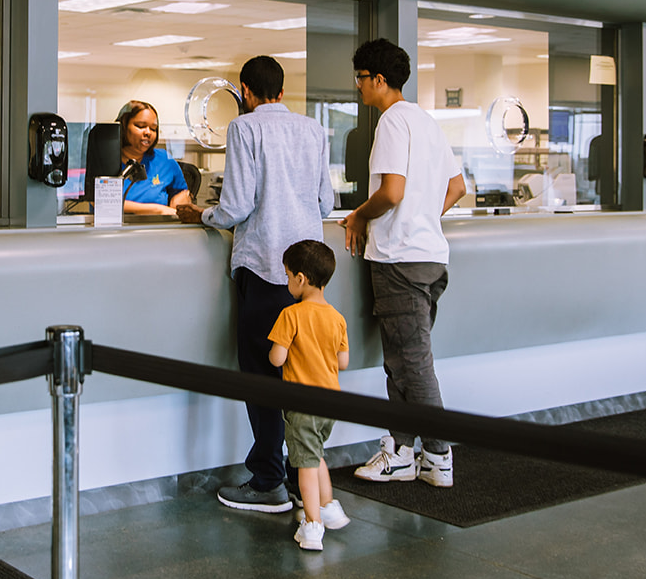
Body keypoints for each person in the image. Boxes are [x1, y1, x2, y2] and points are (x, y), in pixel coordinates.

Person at [177, 56, 334, 513]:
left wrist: (201, 214)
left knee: (262, 376)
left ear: (245, 91)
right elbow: (326, 201)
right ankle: (295, 473)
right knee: (299, 375)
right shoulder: (312, 130)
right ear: (282, 92)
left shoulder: (244, 129)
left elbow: (237, 205)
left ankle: (268, 482)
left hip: (264, 265)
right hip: (305, 272)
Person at [342, 39, 465, 488]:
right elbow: (457, 187)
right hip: (428, 257)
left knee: (413, 363)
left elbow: (392, 192)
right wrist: (425, 217)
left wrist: (358, 215)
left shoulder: (392, 122)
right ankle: (401, 452)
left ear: (377, 80)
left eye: (359, 78)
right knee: (399, 360)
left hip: (400, 260)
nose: (357, 87)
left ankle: (438, 455)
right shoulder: (426, 122)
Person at [268, 239, 350, 551]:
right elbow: (342, 362)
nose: (287, 281)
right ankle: (329, 506)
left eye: (288, 275)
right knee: (315, 456)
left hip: (301, 404)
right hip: (331, 401)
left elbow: (277, 358)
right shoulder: (337, 317)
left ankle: (313, 525)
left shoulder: (291, 315)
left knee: (303, 465)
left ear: (301, 278)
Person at [115, 99, 193, 216]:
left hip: (157, 230)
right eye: (141, 126)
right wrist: (159, 210)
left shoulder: (165, 160)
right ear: (124, 126)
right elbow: (100, 203)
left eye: (153, 129)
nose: (148, 132)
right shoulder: (105, 160)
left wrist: (183, 199)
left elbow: (182, 195)